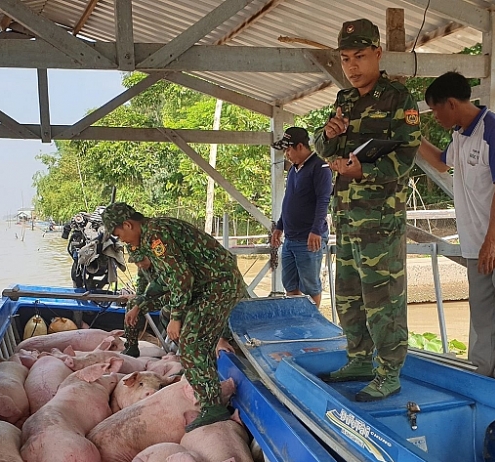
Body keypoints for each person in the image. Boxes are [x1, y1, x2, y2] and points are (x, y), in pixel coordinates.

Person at [312, 18, 421, 402]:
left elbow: (407, 157)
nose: (352, 66)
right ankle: (358, 357)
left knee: (384, 298)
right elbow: (323, 151)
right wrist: (327, 136)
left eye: (360, 56)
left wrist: (367, 170)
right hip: (346, 216)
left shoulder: (399, 99)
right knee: (349, 295)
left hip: (380, 219)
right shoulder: (345, 100)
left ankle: (389, 371)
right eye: (345, 58)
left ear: (377, 53)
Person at [418, 72, 495, 385]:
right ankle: (482, 376)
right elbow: (443, 163)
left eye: (436, 110)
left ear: (452, 104)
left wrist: (492, 241)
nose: (435, 117)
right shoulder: (460, 134)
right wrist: (413, 137)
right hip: (475, 242)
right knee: (483, 315)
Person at [103, 202, 244, 430]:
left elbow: (181, 278)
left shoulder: (156, 235)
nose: (123, 241)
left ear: (128, 224)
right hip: (205, 286)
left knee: (192, 341)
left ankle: (212, 406)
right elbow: (165, 280)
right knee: (194, 342)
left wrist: (176, 316)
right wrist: (140, 302)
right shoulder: (151, 235)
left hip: (218, 285)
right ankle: (204, 389)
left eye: (120, 235)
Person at [270, 126, 333, 307]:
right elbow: (288, 201)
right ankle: (296, 321)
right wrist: (279, 227)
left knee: (310, 286)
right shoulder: (293, 169)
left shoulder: (320, 166)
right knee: (290, 284)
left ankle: (311, 326)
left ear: (299, 146)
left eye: (288, 149)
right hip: (290, 237)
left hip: (308, 237)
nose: (287, 154)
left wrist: (316, 230)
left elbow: (323, 200)